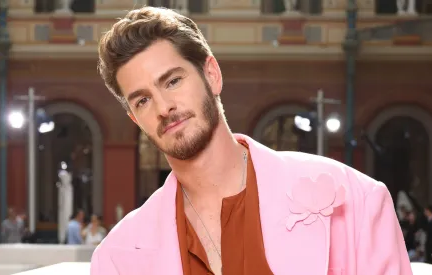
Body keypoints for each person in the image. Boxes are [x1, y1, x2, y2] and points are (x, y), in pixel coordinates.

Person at [91, 6, 412, 275]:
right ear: (135, 118)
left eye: (173, 81)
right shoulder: (117, 258)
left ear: (212, 75)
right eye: (143, 101)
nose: (164, 108)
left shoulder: (357, 199)